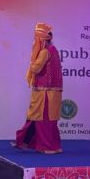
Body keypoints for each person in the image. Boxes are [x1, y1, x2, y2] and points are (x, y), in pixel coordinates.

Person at [14, 22, 64, 154]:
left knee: (42, 120)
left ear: (41, 39)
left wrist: (32, 59)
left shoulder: (44, 52)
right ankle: (25, 142)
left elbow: (36, 68)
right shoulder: (54, 50)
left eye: (36, 39)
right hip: (51, 93)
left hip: (45, 94)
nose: (35, 42)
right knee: (39, 119)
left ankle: (46, 146)